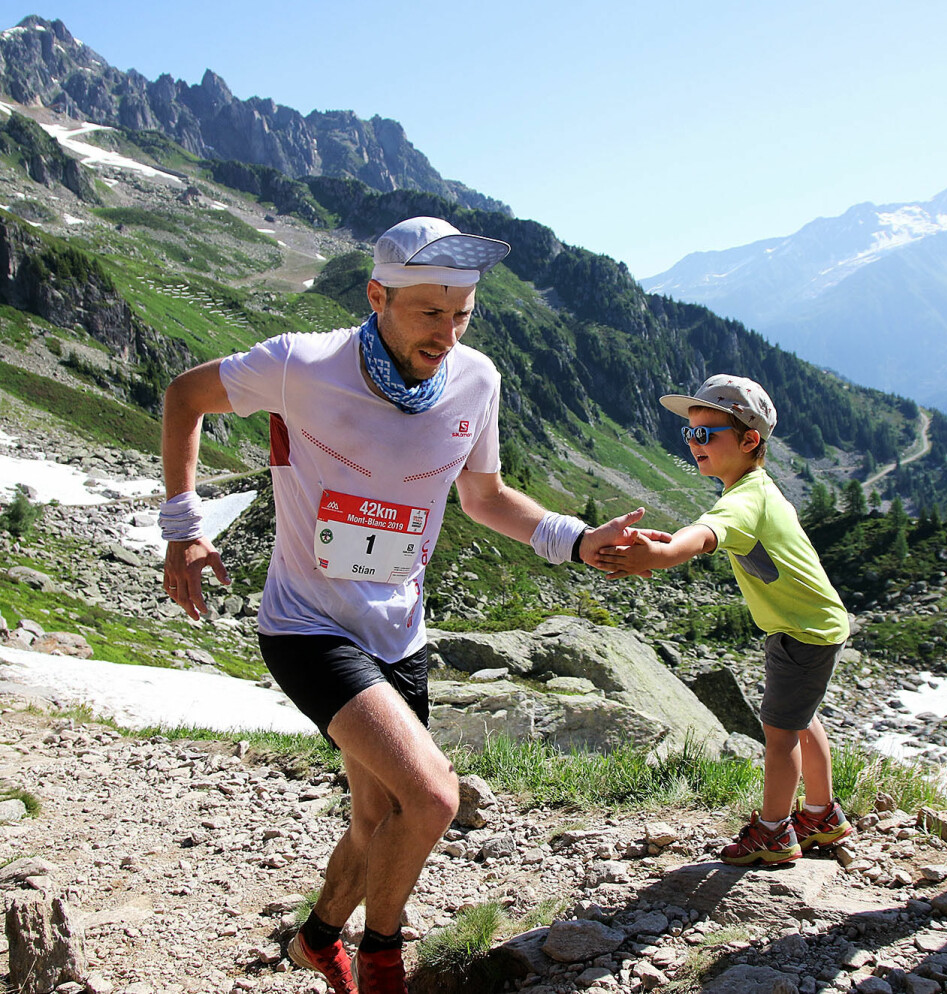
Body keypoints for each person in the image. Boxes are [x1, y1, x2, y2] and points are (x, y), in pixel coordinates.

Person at [159, 216, 660, 993]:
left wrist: (578, 539)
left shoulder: (476, 379)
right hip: (307, 625)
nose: (447, 334)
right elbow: (184, 394)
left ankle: (318, 937)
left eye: (462, 314)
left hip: (398, 630)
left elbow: (486, 497)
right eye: (429, 312)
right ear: (377, 295)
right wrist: (184, 530)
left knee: (379, 818)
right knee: (431, 798)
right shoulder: (302, 364)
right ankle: (383, 956)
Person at [597, 374, 853, 866]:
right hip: (812, 625)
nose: (694, 444)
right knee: (801, 720)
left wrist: (663, 553)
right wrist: (667, 549)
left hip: (802, 632)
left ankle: (775, 832)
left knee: (779, 735)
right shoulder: (756, 487)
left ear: (749, 439)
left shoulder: (744, 499)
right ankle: (821, 815)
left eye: (705, 433)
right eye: (688, 434)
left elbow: (705, 533)